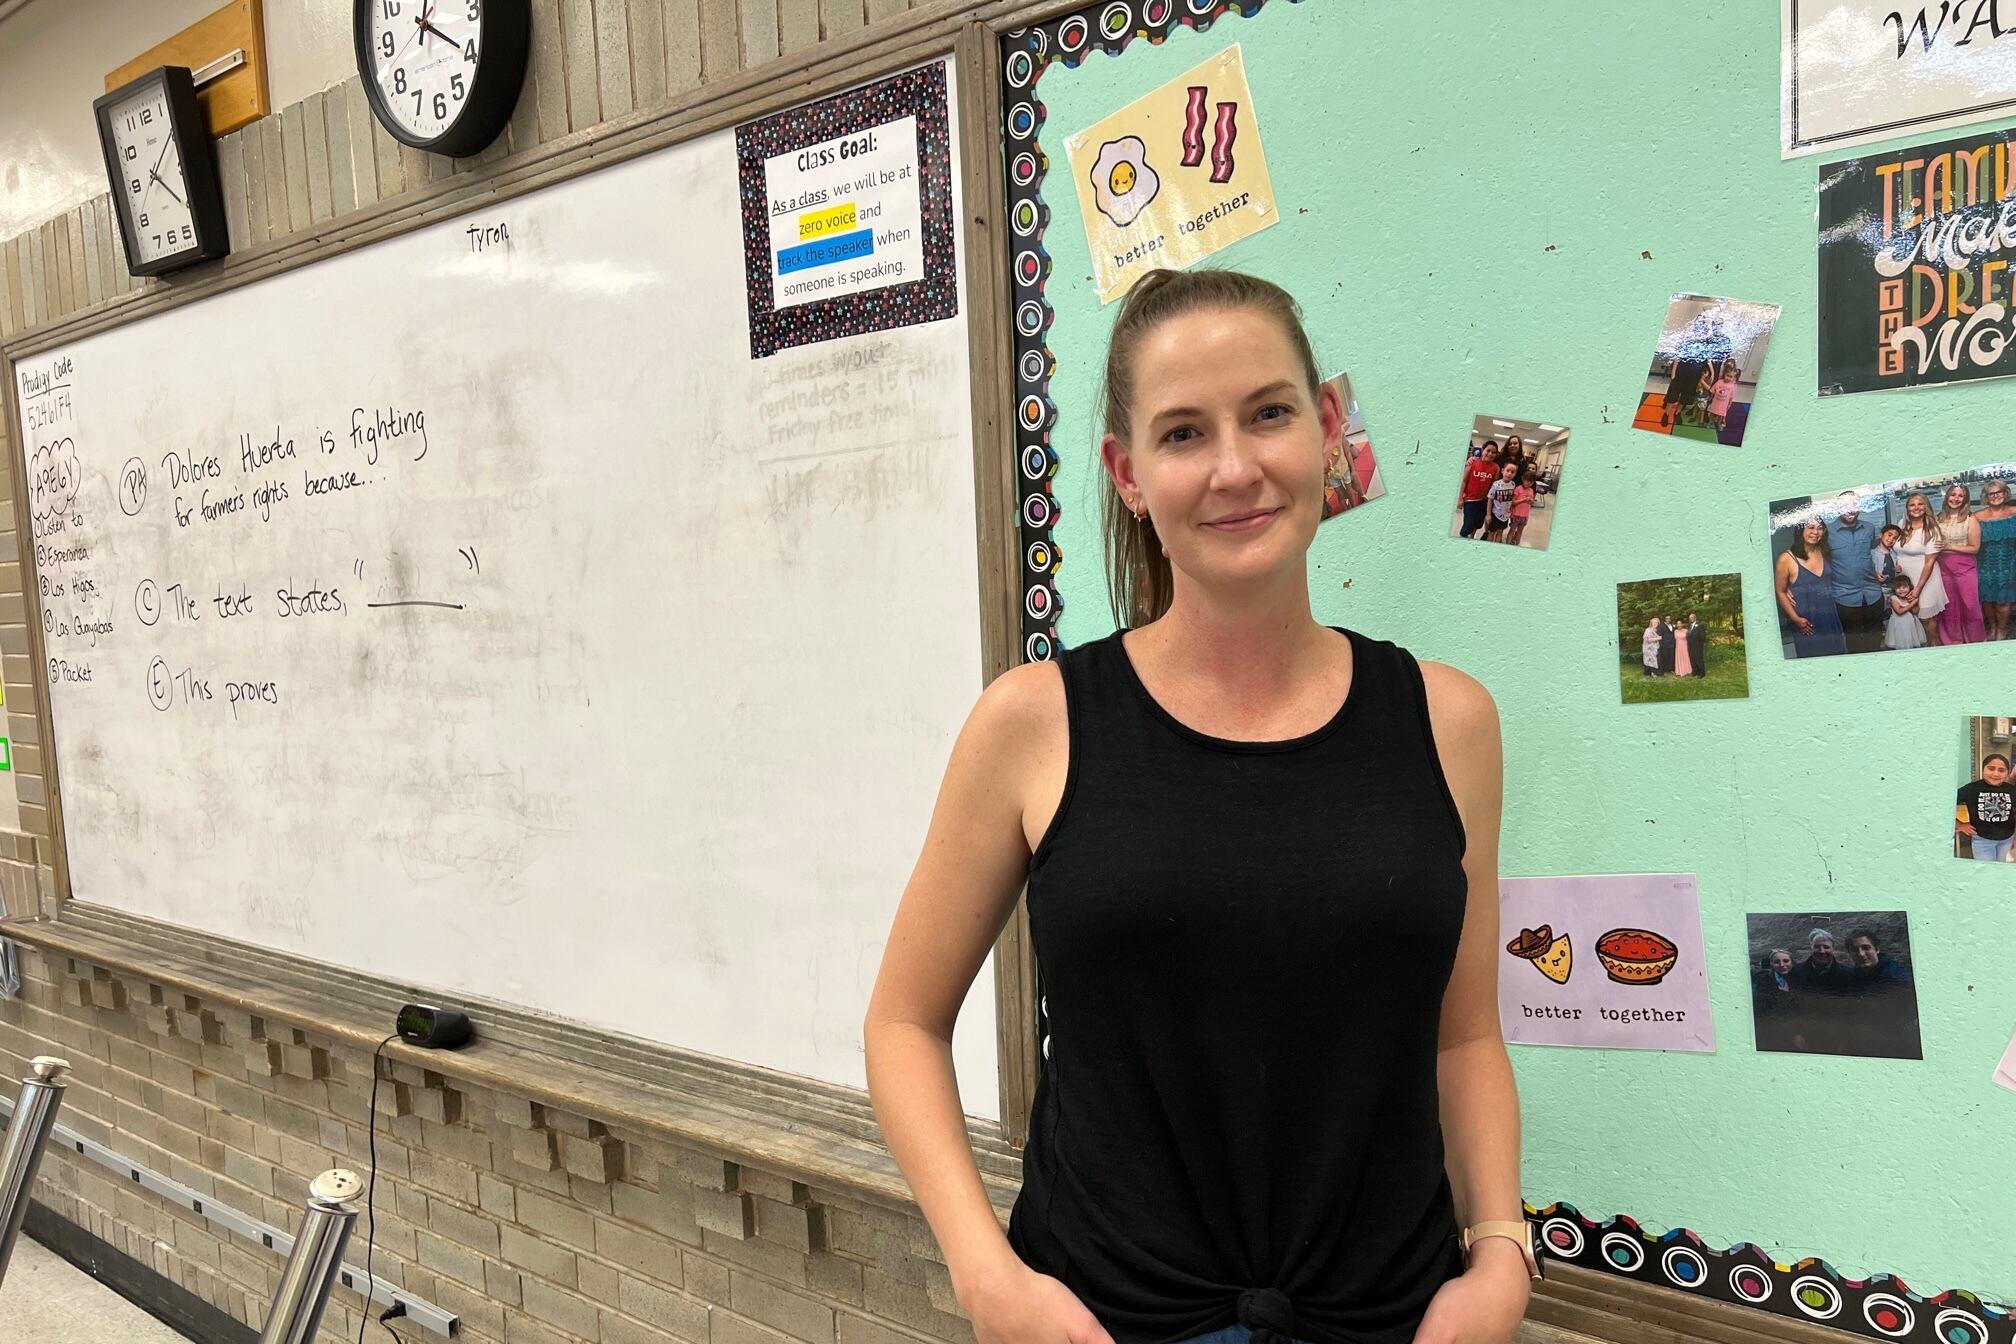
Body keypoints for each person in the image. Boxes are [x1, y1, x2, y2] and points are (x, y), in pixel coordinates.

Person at [864, 268, 1533, 1344]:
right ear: (1129, 476)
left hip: (1390, 1319)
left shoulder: (1450, 722)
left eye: (1267, 413)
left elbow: (1464, 1040)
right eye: (1183, 434)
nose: (1235, 467)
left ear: (1324, 429)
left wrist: (1501, 1249)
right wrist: (986, 1276)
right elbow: (902, 1023)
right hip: (1103, 1316)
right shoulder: (1034, 724)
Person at [1774, 517, 1849, 658]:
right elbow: (1780, 591)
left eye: (1820, 528)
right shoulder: (1786, 559)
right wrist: (1796, 619)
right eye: (1810, 527)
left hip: (1830, 616)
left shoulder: (1823, 551)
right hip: (1806, 622)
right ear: (1800, 529)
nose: (1816, 532)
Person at [1842, 930, 1922, 1059]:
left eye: (1866, 948)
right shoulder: (1853, 977)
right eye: (1855, 950)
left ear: (1877, 949)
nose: (1861, 954)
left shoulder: (1897, 977)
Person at [1825, 491, 1885, 655]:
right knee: (1854, 644)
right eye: (1844, 505)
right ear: (1837, 508)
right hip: (1845, 597)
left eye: (1854, 504)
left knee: (1874, 640)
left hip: (1873, 594)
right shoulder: (1827, 532)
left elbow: (1874, 553)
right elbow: (1818, 561)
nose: (1849, 509)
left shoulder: (1869, 528)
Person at [1934, 482, 1986, 644]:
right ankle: (1952, 642)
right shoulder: (1938, 518)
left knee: (1970, 605)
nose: (1956, 498)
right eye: (1953, 494)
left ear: (1965, 500)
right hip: (1942, 566)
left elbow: (1975, 548)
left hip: (1964, 566)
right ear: (1947, 496)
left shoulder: (1971, 520)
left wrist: (1950, 546)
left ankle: (1976, 641)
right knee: (1949, 607)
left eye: (1960, 496)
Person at [1895, 492, 1948, 646]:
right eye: (1912, 504)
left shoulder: (1932, 529)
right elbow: (1897, 550)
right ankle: (1926, 645)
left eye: (1920, 504)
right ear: (1907, 508)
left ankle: (1936, 646)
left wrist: (1918, 588)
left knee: (1925, 617)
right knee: (1914, 613)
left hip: (1925, 578)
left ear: (1926, 507)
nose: (1916, 508)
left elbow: (1929, 562)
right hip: (1906, 578)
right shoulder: (1901, 525)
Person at [1972, 478, 2016, 640]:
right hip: (1985, 565)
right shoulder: (1977, 517)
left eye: (1999, 492)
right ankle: (1993, 626)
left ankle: (2002, 630)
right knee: (1987, 601)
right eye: (1991, 494)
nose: (1995, 496)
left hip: (2009, 564)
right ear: (1986, 496)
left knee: (2004, 602)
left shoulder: (2015, 512)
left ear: (2005, 494)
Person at [1957, 753, 2014, 863]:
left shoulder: (2011, 790)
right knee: (1985, 872)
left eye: (2001, 770)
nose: (1995, 774)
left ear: (2007, 773)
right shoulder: (1971, 789)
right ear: (1983, 769)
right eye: (1991, 769)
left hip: (2007, 840)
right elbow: (1944, 804)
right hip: (1982, 841)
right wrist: (1959, 824)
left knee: (2003, 870)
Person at [1750, 949, 1796, 1052]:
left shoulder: (1795, 978)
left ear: (1792, 962)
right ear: (1771, 964)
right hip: (1771, 1032)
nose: (1782, 965)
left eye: (1785, 961)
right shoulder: (1763, 981)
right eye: (1776, 962)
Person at [1457, 440, 1500, 539]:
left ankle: (1472, 537)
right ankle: (1462, 536)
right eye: (1488, 450)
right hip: (1470, 500)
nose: (1490, 454)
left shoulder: (1496, 467)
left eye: (1493, 452)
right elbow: (1464, 481)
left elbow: (1494, 486)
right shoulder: (1472, 463)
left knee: (1477, 524)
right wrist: (1460, 498)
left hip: (1484, 502)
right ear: (1482, 450)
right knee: (1468, 524)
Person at [1882, 573, 1926, 651]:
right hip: (1899, 625)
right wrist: (1912, 604)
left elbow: (1915, 611)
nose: (1901, 590)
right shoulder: (1894, 599)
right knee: (1901, 643)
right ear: (1894, 589)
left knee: (1911, 642)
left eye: (1904, 587)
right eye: (1898, 588)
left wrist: (1915, 603)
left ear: (1910, 587)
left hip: (1911, 624)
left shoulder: (1911, 598)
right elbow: (1899, 611)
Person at [1484, 461, 1518, 542]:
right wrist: (1488, 514)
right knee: (1491, 533)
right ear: (1502, 471)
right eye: (1507, 471)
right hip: (1495, 514)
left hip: (1505, 515)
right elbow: (1490, 499)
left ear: (1515, 474)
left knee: (1500, 532)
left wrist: (1512, 508)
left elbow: (1512, 498)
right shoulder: (1496, 484)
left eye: (1512, 472)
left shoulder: (1513, 485)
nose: (1509, 473)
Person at [1505, 465, 1537, 546]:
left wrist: (1531, 501)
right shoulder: (1518, 489)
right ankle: (1507, 545)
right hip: (1516, 515)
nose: (1529, 483)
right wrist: (1523, 500)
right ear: (1523, 479)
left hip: (1525, 516)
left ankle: (1516, 544)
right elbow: (1513, 502)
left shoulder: (1531, 490)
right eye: (1527, 481)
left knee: (1520, 531)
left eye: (1531, 482)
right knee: (1512, 531)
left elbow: (1531, 504)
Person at [1707, 360, 1740, 437]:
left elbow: (1731, 397)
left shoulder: (1732, 386)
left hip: (1724, 404)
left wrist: (1729, 404)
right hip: (1716, 402)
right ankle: (1710, 422)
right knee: (1712, 413)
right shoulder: (1719, 382)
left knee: (1721, 415)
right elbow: (1713, 391)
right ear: (1724, 374)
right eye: (1727, 375)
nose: (1728, 378)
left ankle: (1719, 424)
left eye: (1731, 377)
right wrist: (1710, 398)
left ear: (1734, 377)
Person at [1685, 612, 1707, 678]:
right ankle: (1695, 671)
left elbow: (1703, 636)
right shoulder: (1689, 626)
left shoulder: (1700, 625)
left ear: (1695, 618)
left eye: (1692, 617)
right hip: (1690, 645)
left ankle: (1701, 673)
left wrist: (1700, 644)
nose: (1691, 619)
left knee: (1699, 659)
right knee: (1692, 659)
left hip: (1698, 645)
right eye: (1689, 618)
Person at [1673, 613, 1694, 677]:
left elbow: (1690, 638)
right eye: (1677, 623)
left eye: (1680, 623)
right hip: (1678, 647)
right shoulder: (1675, 631)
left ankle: (1687, 670)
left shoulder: (1686, 630)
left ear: (1682, 624)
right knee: (1679, 658)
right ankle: (1679, 671)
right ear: (1676, 625)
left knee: (1685, 657)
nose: (1679, 625)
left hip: (1685, 646)